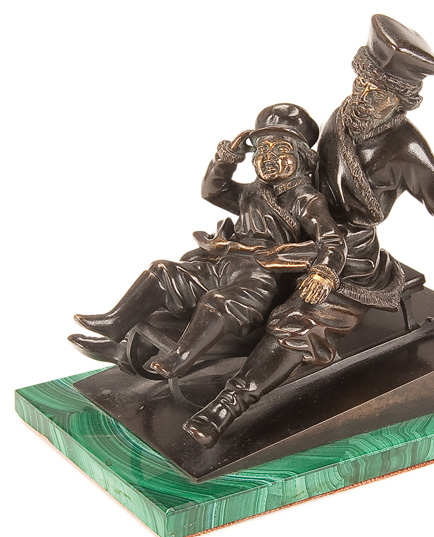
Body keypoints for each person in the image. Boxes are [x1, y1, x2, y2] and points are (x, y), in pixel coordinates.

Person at [182, 15, 434, 448]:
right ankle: (170, 344)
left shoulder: (406, 148)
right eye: (361, 84)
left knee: (300, 319)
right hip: (300, 227)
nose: (363, 98)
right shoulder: (343, 115)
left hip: (352, 256)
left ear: (402, 102)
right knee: (213, 267)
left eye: (378, 95)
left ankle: (231, 402)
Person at [69, 104, 347, 379]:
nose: (269, 158)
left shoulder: (306, 200)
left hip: (261, 277)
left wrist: (323, 273)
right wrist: (226, 160)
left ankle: (180, 358)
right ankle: (115, 325)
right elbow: (214, 191)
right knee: (163, 272)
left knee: (219, 302)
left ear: (302, 158)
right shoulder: (252, 192)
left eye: (280, 151)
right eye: (262, 151)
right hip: (222, 264)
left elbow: (333, 241)